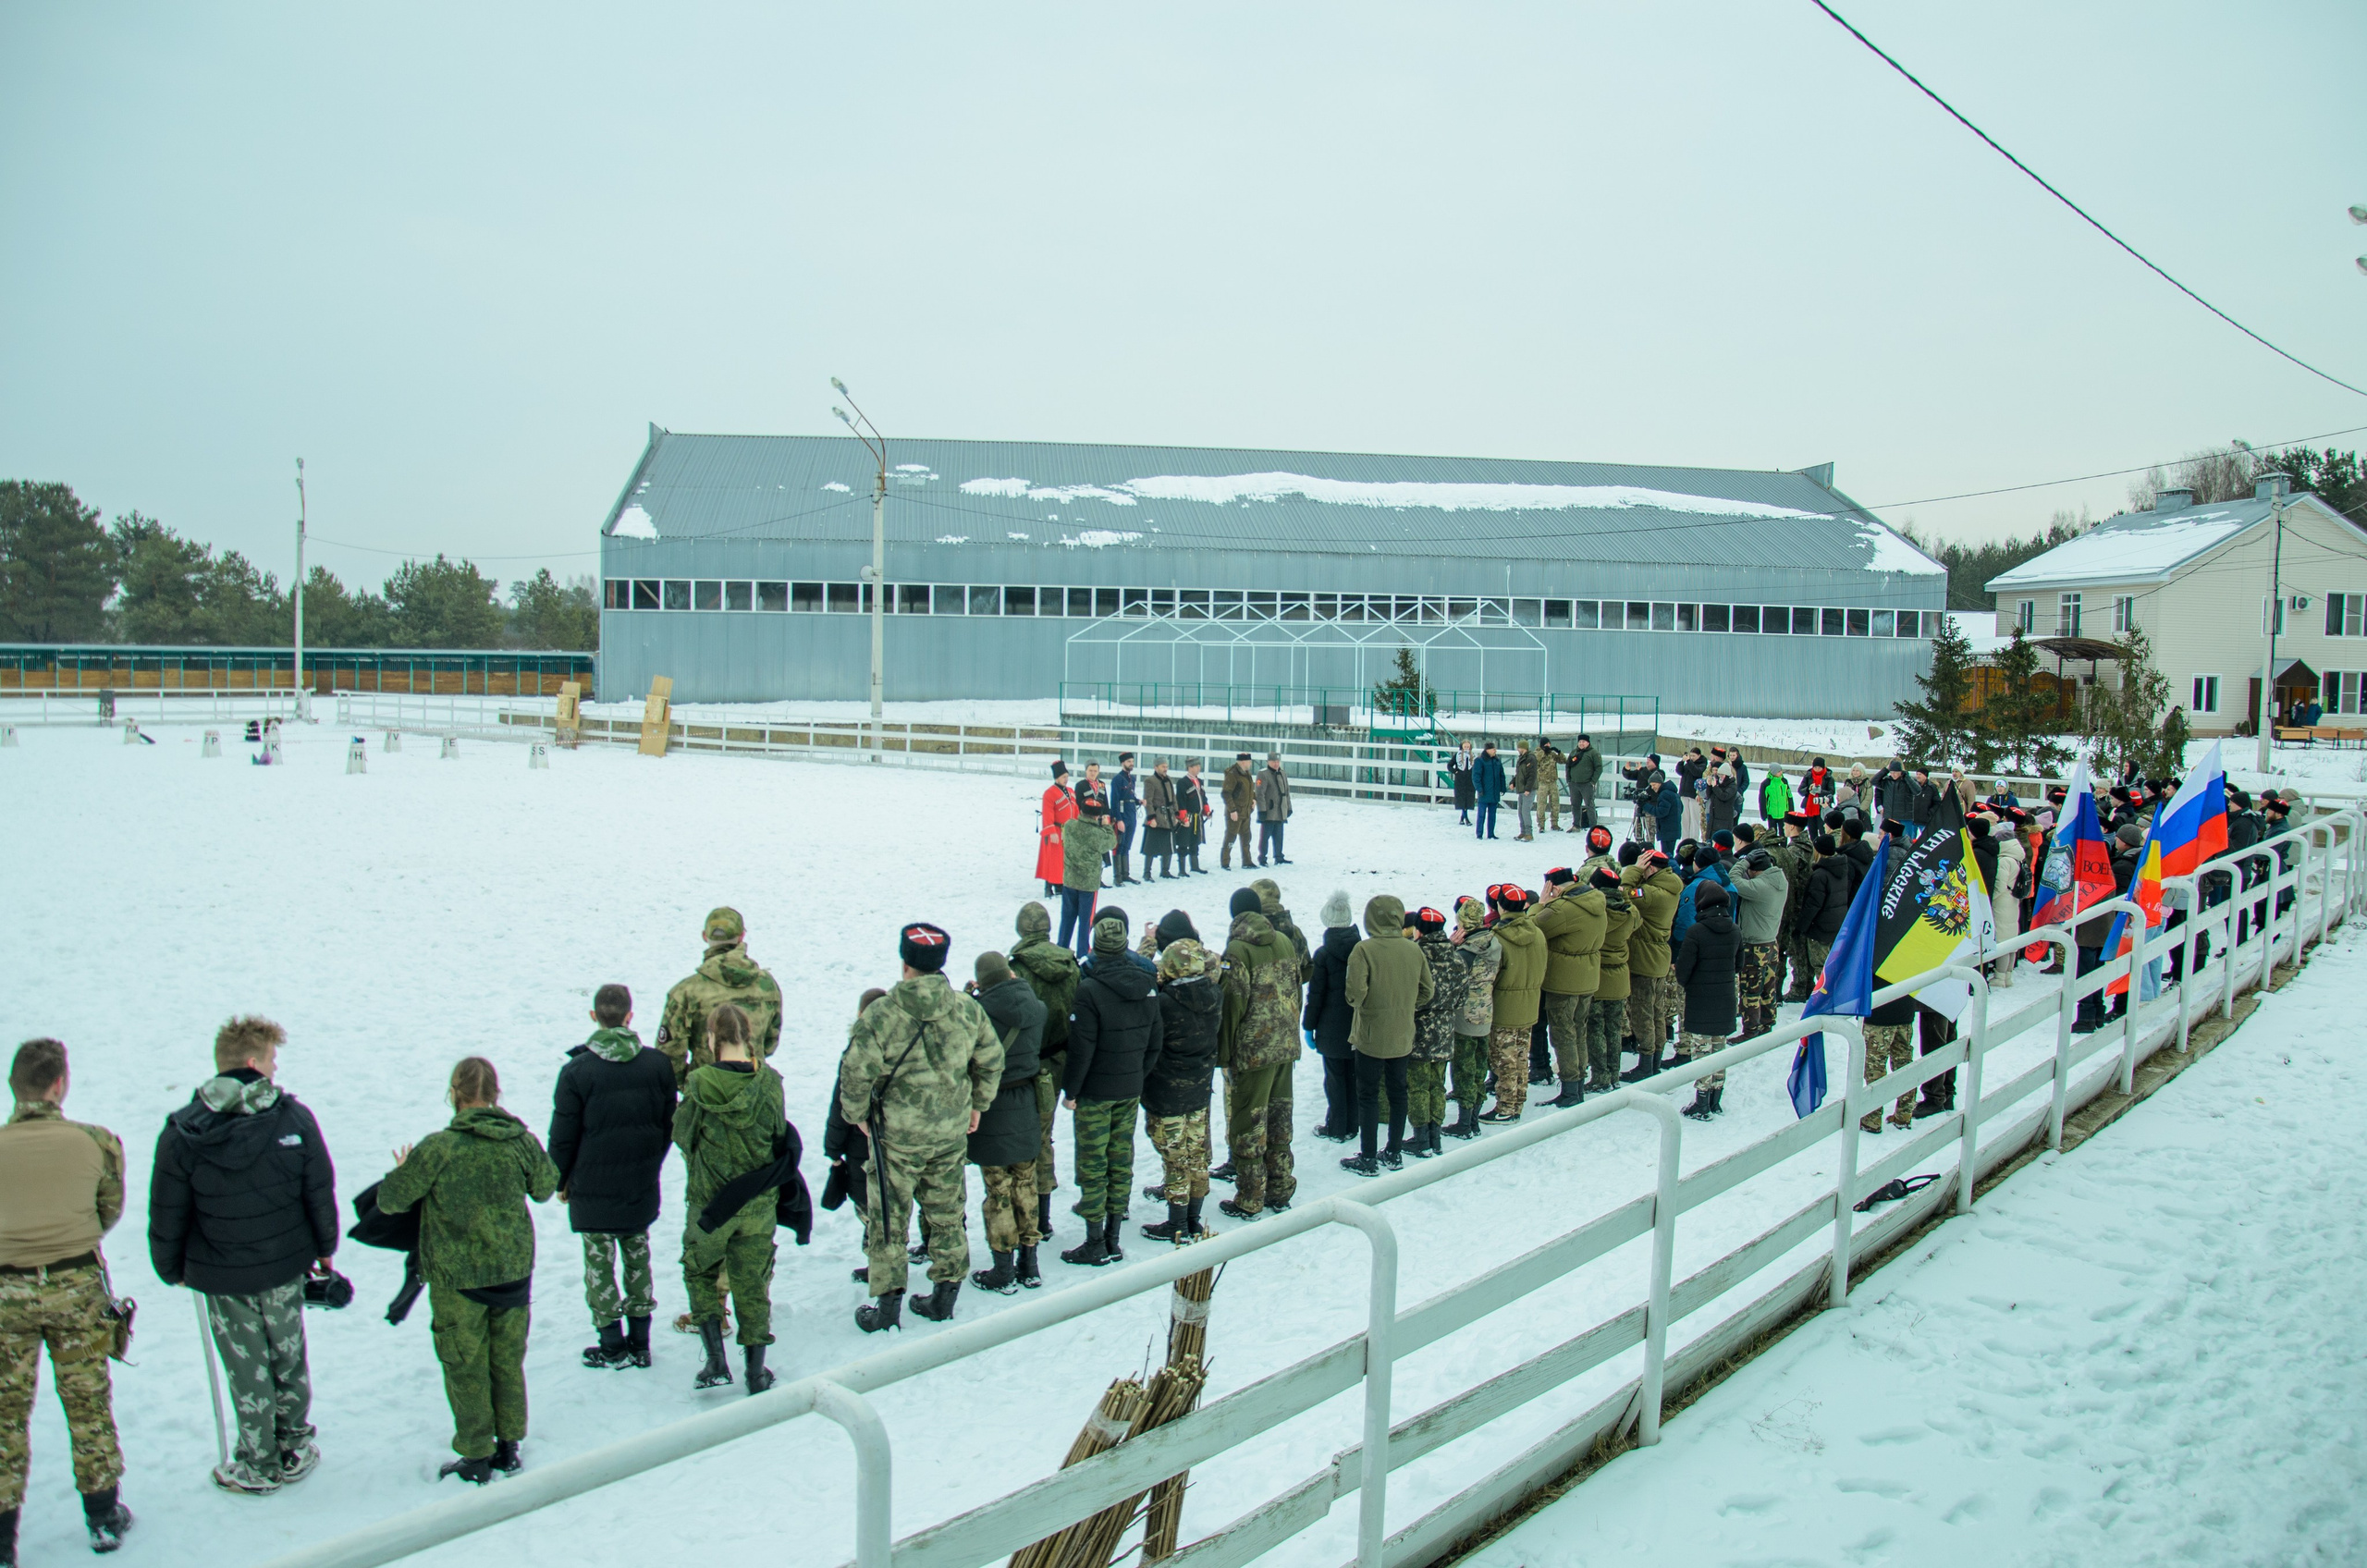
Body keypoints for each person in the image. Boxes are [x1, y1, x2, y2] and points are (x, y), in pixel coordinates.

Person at [147, 1016, 337, 1496]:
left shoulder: (182, 1131)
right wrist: (324, 1248)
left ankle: (259, 1460)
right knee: (287, 1354)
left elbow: (168, 1209)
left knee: (247, 1366)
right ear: (253, 1063)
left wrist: (171, 1268)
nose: (276, 1069)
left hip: (222, 1274)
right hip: (284, 1263)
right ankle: (293, 1443)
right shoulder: (293, 1119)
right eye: (273, 1059)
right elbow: (318, 1189)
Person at [377, 1057, 560, 1484]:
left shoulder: (438, 1148)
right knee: (508, 1360)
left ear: (454, 1094)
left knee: (465, 1364)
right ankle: (509, 1446)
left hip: (459, 1279)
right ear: (496, 1094)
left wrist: (402, 1170)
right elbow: (546, 1188)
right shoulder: (520, 1141)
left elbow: (390, 1201)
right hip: (513, 1269)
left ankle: (477, 1454)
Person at [1, 1039, 134, 1554]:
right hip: (77, 1285)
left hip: (5, 1291)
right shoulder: (97, 1142)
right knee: (88, 1402)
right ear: (60, 1084)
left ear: (15, 1086)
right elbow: (109, 1210)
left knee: (4, 1413)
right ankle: (103, 1516)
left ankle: (3, 1540)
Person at [842, 924, 1002, 1330]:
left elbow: (856, 1073)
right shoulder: (967, 1008)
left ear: (905, 963)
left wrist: (857, 1115)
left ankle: (887, 1308)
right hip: (950, 1132)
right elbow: (991, 1059)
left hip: (896, 1138)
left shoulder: (882, 1015)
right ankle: (944, 1297)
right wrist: (977, 1105)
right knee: (948, 1214)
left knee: (889, 1220)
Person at [548, 984, 676, 1374]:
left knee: (599, 1266)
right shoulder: (657, 1065)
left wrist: (560, 1180)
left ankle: (612, 1344)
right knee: (639, 1260)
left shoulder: (576, 1072)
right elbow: (668, 1122)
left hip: (591, 1186)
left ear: (593, 1017)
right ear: (629, 1017)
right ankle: (642, 1342)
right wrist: (651, 1162)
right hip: (640, 1179)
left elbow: (563, 1135)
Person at [673, 1004, 784, 1395]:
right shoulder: (770, 1082)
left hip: (709, 1204)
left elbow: (683, 1136)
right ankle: (756, 1371)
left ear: (711, 1038)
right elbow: (777, 1134)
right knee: (752, 1281)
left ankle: (716, 1361)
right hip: (757, 1203)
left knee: (700, 1271)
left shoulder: (699, 1083)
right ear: (748, 1035)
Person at [1061, 916, 1164, 1266]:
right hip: (1129, 1086)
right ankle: (1113, 1237)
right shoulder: (1148, 983)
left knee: (1092, 1163)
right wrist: (1137, 1074)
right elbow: (1155, 1041)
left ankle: (1094, 1241)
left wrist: (1071, 1091)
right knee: (1121, 1160)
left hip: (1094, 1091)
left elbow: (1082, 1048)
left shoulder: (1088, 989)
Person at [963, 950, 1048, 1292]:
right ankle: (1030, 1263)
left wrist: (973, 997)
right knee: (1026, 1183)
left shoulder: (978, 1013)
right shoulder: (1036, 1007)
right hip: (1027, 1102)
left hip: (991, 1106)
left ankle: (1003, 1269)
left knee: (997, 1189)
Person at [1216, 888, 1300, 1219]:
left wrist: (1225, 1053)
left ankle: (1250, 1197)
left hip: (1253, 1053)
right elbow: (1296, 988)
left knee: (1247, 1122)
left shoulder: (1237, 949)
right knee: (1280, 1119)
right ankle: (1280, 1187)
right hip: (1285, 1046)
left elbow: (1233, 1002)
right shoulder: (1283, 939)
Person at [1341, 896, 1433, 1174]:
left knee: (1368, 1095)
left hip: (1370, 1034)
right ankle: (1393, 1152)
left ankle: (1368, 1157)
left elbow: (1354, 995)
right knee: (1398, 1092)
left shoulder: (1363, 949)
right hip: (1403, 1033)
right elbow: (1428, 992)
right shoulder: (1413, 949)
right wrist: (1405, 1006)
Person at [1008, 902, 1081, 1242]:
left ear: (1022, 931)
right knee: (1045, 1138)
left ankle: (1032, 1218)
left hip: (1029, 1068)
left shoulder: (1017, 969)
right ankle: (1046, 1214)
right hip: (1062, 1061)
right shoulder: (1070, 963)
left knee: (1027, 1143)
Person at [1141, 938, 1221, 1242]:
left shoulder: (1164, 1003)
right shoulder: (1215, 993)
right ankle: (1193, 1219)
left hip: (1168, 1092)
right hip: (1200, 1088)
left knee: (1175, 1158)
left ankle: (1176, 1223)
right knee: (1197, 1155)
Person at [657, 907, 783, 1086]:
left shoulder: (686, 992)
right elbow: (770, 1043)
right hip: (756, 1091)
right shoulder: (767, 985)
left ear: (705, 936)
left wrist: (691, 1084)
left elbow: (668, 1056)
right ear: (741, 936)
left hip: (706, 1092)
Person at [1534, 866, 1605, 1109]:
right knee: (1579, 1031)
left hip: (1563, 981)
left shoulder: (1562, 909)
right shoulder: (1596, 900)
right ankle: (1579, 1083)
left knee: (1563, 1034)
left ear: (1552, 887)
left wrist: (1541, 904)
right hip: (1588, 976)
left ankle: (1570, 1088)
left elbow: (1533, 928)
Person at [1672, 883, 1740, 1121]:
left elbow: (1683, 973)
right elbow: (1738, 965)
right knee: (1719, 1048)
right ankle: (1715, 1099)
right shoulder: (1734, 930)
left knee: (1701, 1050)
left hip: (1701, 1000)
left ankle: (1701, 1102)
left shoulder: (1696, 932)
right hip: (1725, 999)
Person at [1479, 888, 1546, 1122]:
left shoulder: (1497, 937)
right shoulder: (1537, 932)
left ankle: (1505, 1108)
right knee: (1520, 1056)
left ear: (1502, 907)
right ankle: (1517, 1102)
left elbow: (1490, 976)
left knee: (1504, 1060)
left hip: (1504, 1007)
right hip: (1529, 1004)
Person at [1404, 908, 1466, 1158]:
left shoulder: (1414, 956)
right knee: (1437, 1085)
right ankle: (1435, 1135)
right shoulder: (1456, 958)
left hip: (1418, 1031)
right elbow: (1461, 998)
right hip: (1445, 1031)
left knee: (1417, 1086)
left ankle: (1420, 1137)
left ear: (1418, 930)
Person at [1303, 890, 1360, 1142]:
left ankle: (1337, 1127)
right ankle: (1353, 1124)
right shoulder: (1362, 949)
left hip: (1330, 1030)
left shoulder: (1323, 955)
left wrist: (1308, 1026)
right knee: (1353, 1077)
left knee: (1335, 1079)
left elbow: (1315, 997)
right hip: (1358, 1026)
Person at [1621, 851, 1684, 1080]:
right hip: (1658, 957)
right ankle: (1654, 1059)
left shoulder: (1650, 893)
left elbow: (1623, 890)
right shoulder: (1670, 886)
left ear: (1651, 868)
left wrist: (1634, 870)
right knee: (1657, 1013)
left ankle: (1646, 1063)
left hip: (1644, 959)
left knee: (1642, 1014)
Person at [1444, 898, 1501, 1137]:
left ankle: (1465, 1123)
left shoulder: (1466, 952)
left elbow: (1445, 976)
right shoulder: (1493, 942)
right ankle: (1474, 1119)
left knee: (1464, 1070)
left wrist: (1449, 947)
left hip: (1464, 1017)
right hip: (1485, 1012)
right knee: (1479, 1069)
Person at [1586, 869, 1639, 1094]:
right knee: (1614, 1028)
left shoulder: (1596, 912)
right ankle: (1614, 1074)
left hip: (1598, 975)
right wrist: (1624, 895)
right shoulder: (1631, 912)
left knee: (1596, 1028)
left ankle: (1600, 1076)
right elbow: (1636, 920)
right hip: (1619, 975)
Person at [1729, 847, 1787, 1040]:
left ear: (1754, 870)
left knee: (1750, 991)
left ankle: (1750, 1030)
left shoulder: (1759, 887)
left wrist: (1744, 861)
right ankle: (1767, 1022)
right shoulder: (1780, 881)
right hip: (1771, 943)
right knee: (1768, 987)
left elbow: (1733, 879)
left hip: (1754, 946)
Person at [1059, 798, 1116, 957]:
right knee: (1086, 922)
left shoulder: (1070, 825)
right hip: (1088, 885)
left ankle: (1061, 948)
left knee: (1067, 919)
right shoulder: (1097, 833)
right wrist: (1107, 827)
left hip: (1070, 880)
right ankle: (1083, 953)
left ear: (1081, 811)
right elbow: (1111, 843)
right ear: (1097, 816)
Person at [1989, 817, 2026, 988]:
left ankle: (2000, 976)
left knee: (2002, 940)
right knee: (2011, 939)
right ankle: (2008, 976)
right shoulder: (2018, 858)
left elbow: (1999, 885)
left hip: (2002, 902)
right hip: (2013, 901)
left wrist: (1990, 899)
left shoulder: (2004, 860)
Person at [1037, 761, 1079, 895]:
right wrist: (1051, 832)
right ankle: (1048, 886)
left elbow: (1076, 810)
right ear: (1057, 778)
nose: (1066, 780)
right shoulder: (1049, 793)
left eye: (1067, 777)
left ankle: (1061, 885)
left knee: (1064, 861)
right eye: (1063, 777)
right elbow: (1047, 814)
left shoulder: (1071, 792)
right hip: (1056, 830)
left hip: (1068, 831)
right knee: (1053, 861)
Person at [1141, 759, 1178, 881]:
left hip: (1169, 816)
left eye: (1166, 766)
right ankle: (1147, 872)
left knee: (1168, 845)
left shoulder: (1168, 780)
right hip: (1156, 817)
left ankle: (1165, 870)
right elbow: (1148, 800)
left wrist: (1176, 814)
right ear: (1156, 767)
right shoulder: (1150, 781)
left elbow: (1173, 798)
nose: (1165, 768)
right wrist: (1151, 817)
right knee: (1151, 846)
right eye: (1163, 766)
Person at [1108, 753, 1141, 886]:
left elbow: (1130, 796)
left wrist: (1138, 801)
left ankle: (1125, 874)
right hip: (1122, 814)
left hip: (1131, 812)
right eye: (1128, 761)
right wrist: (1118, 819)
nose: (1131, 764)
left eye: (1132, 761)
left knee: (1127, 845)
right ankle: (1118, 877)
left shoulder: (1132, 779)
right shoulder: (1117, 779)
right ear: (1123, 763)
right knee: (1119, 845)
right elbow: (1115, 800)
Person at [1220, 753, 1257, 870]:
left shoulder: (1247, 774)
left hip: (1246, 812)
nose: (1250, 764)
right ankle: (1225, 862)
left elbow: (1250, 789)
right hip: (1235, 814)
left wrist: (1254, 799)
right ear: (1242, 762)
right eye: (1249, 761)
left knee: (1246, 838)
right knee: (1231, 837)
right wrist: (1232, 810)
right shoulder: (1232, 775)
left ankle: (1247, 861)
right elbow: (1226, 793)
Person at [1255, 753, 1294, 865]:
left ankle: (1279, 856)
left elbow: (1286, 792)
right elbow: (1259, 794)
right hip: (1269, 812)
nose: (1276, 764)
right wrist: (1262, 810)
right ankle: (1262, 858)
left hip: (1280, 811)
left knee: (1279, 836)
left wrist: (1288, 807)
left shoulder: (1282, 773)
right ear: (1268, 762)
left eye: (1277, 762)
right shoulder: (1263, 774)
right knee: (1265, 837)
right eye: (1273, 762)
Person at [1177, 759, 1210, 876]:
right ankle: (1182, 870)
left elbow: (1203, 798)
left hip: (1198, 817)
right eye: (1196, 766)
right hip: (1188, 817)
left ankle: (1195, 866)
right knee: (1184, 843)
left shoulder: (1199, 781)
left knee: (1195, 842)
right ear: (1190, 768)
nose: (1198, 768)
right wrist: (1183, 817)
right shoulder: (1183, 782)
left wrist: (1206, 810)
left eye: (1199, 766)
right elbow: (1181, 801)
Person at [1637, 774, 1683, 856]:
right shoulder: (1674, 793)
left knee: (1667, 856)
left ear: (1659, 783)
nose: (1652, 787)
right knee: (1670, 854)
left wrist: (1644, 805)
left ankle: (1669, 868)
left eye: (1654, 785)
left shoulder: (1664, 794)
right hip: (1673, 830)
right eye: (1651, 785)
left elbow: (1660, 812)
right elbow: (1681, 809)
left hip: (1667, 830)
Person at [1565, 735, 1602, 833]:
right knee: (1575, 805)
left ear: (1588, 743)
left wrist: (1593, 781)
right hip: (1574, 784)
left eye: (1584, 742)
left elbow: (1599, 768)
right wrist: (1569, 780)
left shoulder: (1593, 753)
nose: (1581, 743)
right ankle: (1576, 825)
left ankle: (1593, 827)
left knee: (1589, 805)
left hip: (1587, 784)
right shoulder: (1574, 753)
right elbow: (1568, 766)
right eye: (1580, 741)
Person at [1472, 742, 1506, 840]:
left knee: (1492, 815)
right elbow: (1476, 777)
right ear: (1487, 750)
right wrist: (1479, 789)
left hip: (1494, 792)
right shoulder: (1479, 761)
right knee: (1481, 814)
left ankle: (1491, 833)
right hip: (1484, 792)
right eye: (1493, 749)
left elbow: (1501, 775)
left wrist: (1503, 787)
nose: (1495, 751)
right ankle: (1479, 834)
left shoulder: (1497, 761)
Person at [1512, 741, 1539, 841]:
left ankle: (1529, 833)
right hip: (1522, 788)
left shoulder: (1531, 758)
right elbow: (1519, 774)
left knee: (1525, 811)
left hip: (1528, 789)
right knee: (1520, 811)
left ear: (1523, 748)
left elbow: (1532, 775)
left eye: (1519, 747)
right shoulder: (1521, 758)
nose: (1518, 749)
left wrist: (1528, 788)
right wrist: (1513, 782)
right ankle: (1523, 831)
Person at [1537, 740, 1565, 833]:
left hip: (1553, 782)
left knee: (1555, 803)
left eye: (1549, 744)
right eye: (1546, 744)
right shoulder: (1537, 752)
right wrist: (1543, 751)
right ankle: (1541, 825)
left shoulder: (1552, 754)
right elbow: (1536, 759)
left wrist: (1559, 752)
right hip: (1542, 783)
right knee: (1541, 804)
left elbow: (1564, 760)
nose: (1548, 745)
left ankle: (1555, 824)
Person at [1449, 741, 1477, 824]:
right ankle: (1466, 818)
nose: (1467, 749)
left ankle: (1462, 817)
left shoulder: (1473, 756)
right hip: (1460, 780)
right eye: (1465, 747)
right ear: (1462, 747)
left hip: (1470, 781)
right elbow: (1449, 765)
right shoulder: (1457, 756)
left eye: (1468, 747)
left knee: (1468, 799)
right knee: (1461, 798)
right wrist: (1455, 771)